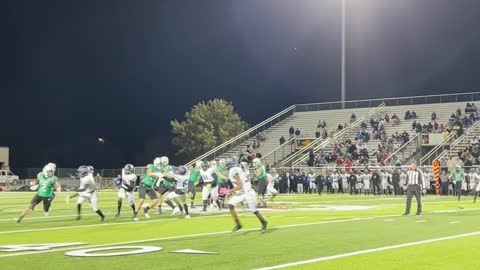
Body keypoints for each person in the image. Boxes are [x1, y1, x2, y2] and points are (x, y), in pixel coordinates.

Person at [226, 161, 268, 233]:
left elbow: (240, 186)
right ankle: (238, 224)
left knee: (253, 210)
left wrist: (228, 191)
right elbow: (246, 179)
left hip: (248, 192)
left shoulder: (233, 171)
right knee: (230, 205)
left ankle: (263, 222)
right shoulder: (239, 170)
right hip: (242, 192)